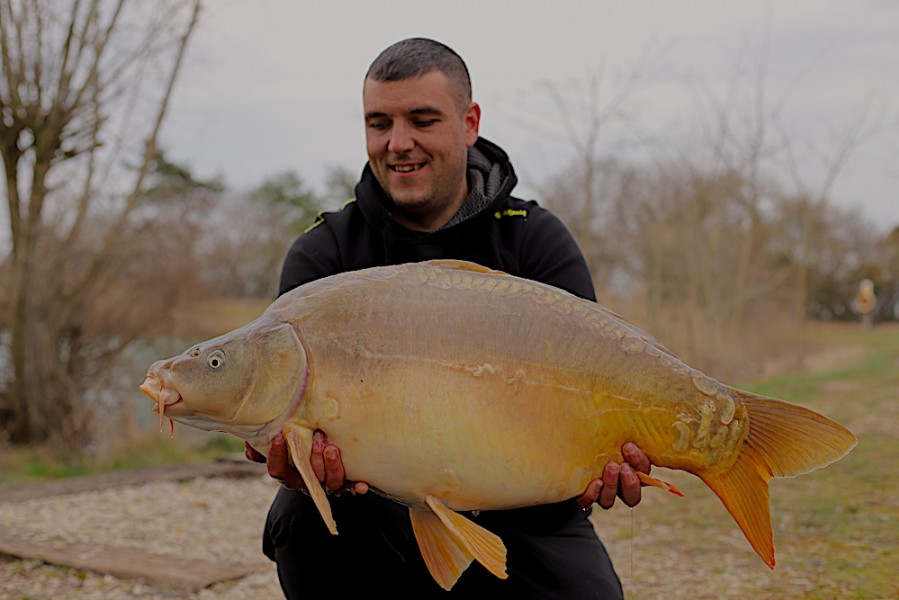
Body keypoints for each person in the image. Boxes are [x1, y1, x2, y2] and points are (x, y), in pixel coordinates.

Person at [246, 37, 652, 599]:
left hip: (521, 509)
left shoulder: (534, 241)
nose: (398, 143)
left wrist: (608, 463)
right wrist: (296, 460)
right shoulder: (325, 254)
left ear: (469, 123)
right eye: (379, 122)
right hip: (371, 506)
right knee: (300, 517)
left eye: (421, 120)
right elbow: (292, 419)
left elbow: (599, 392)